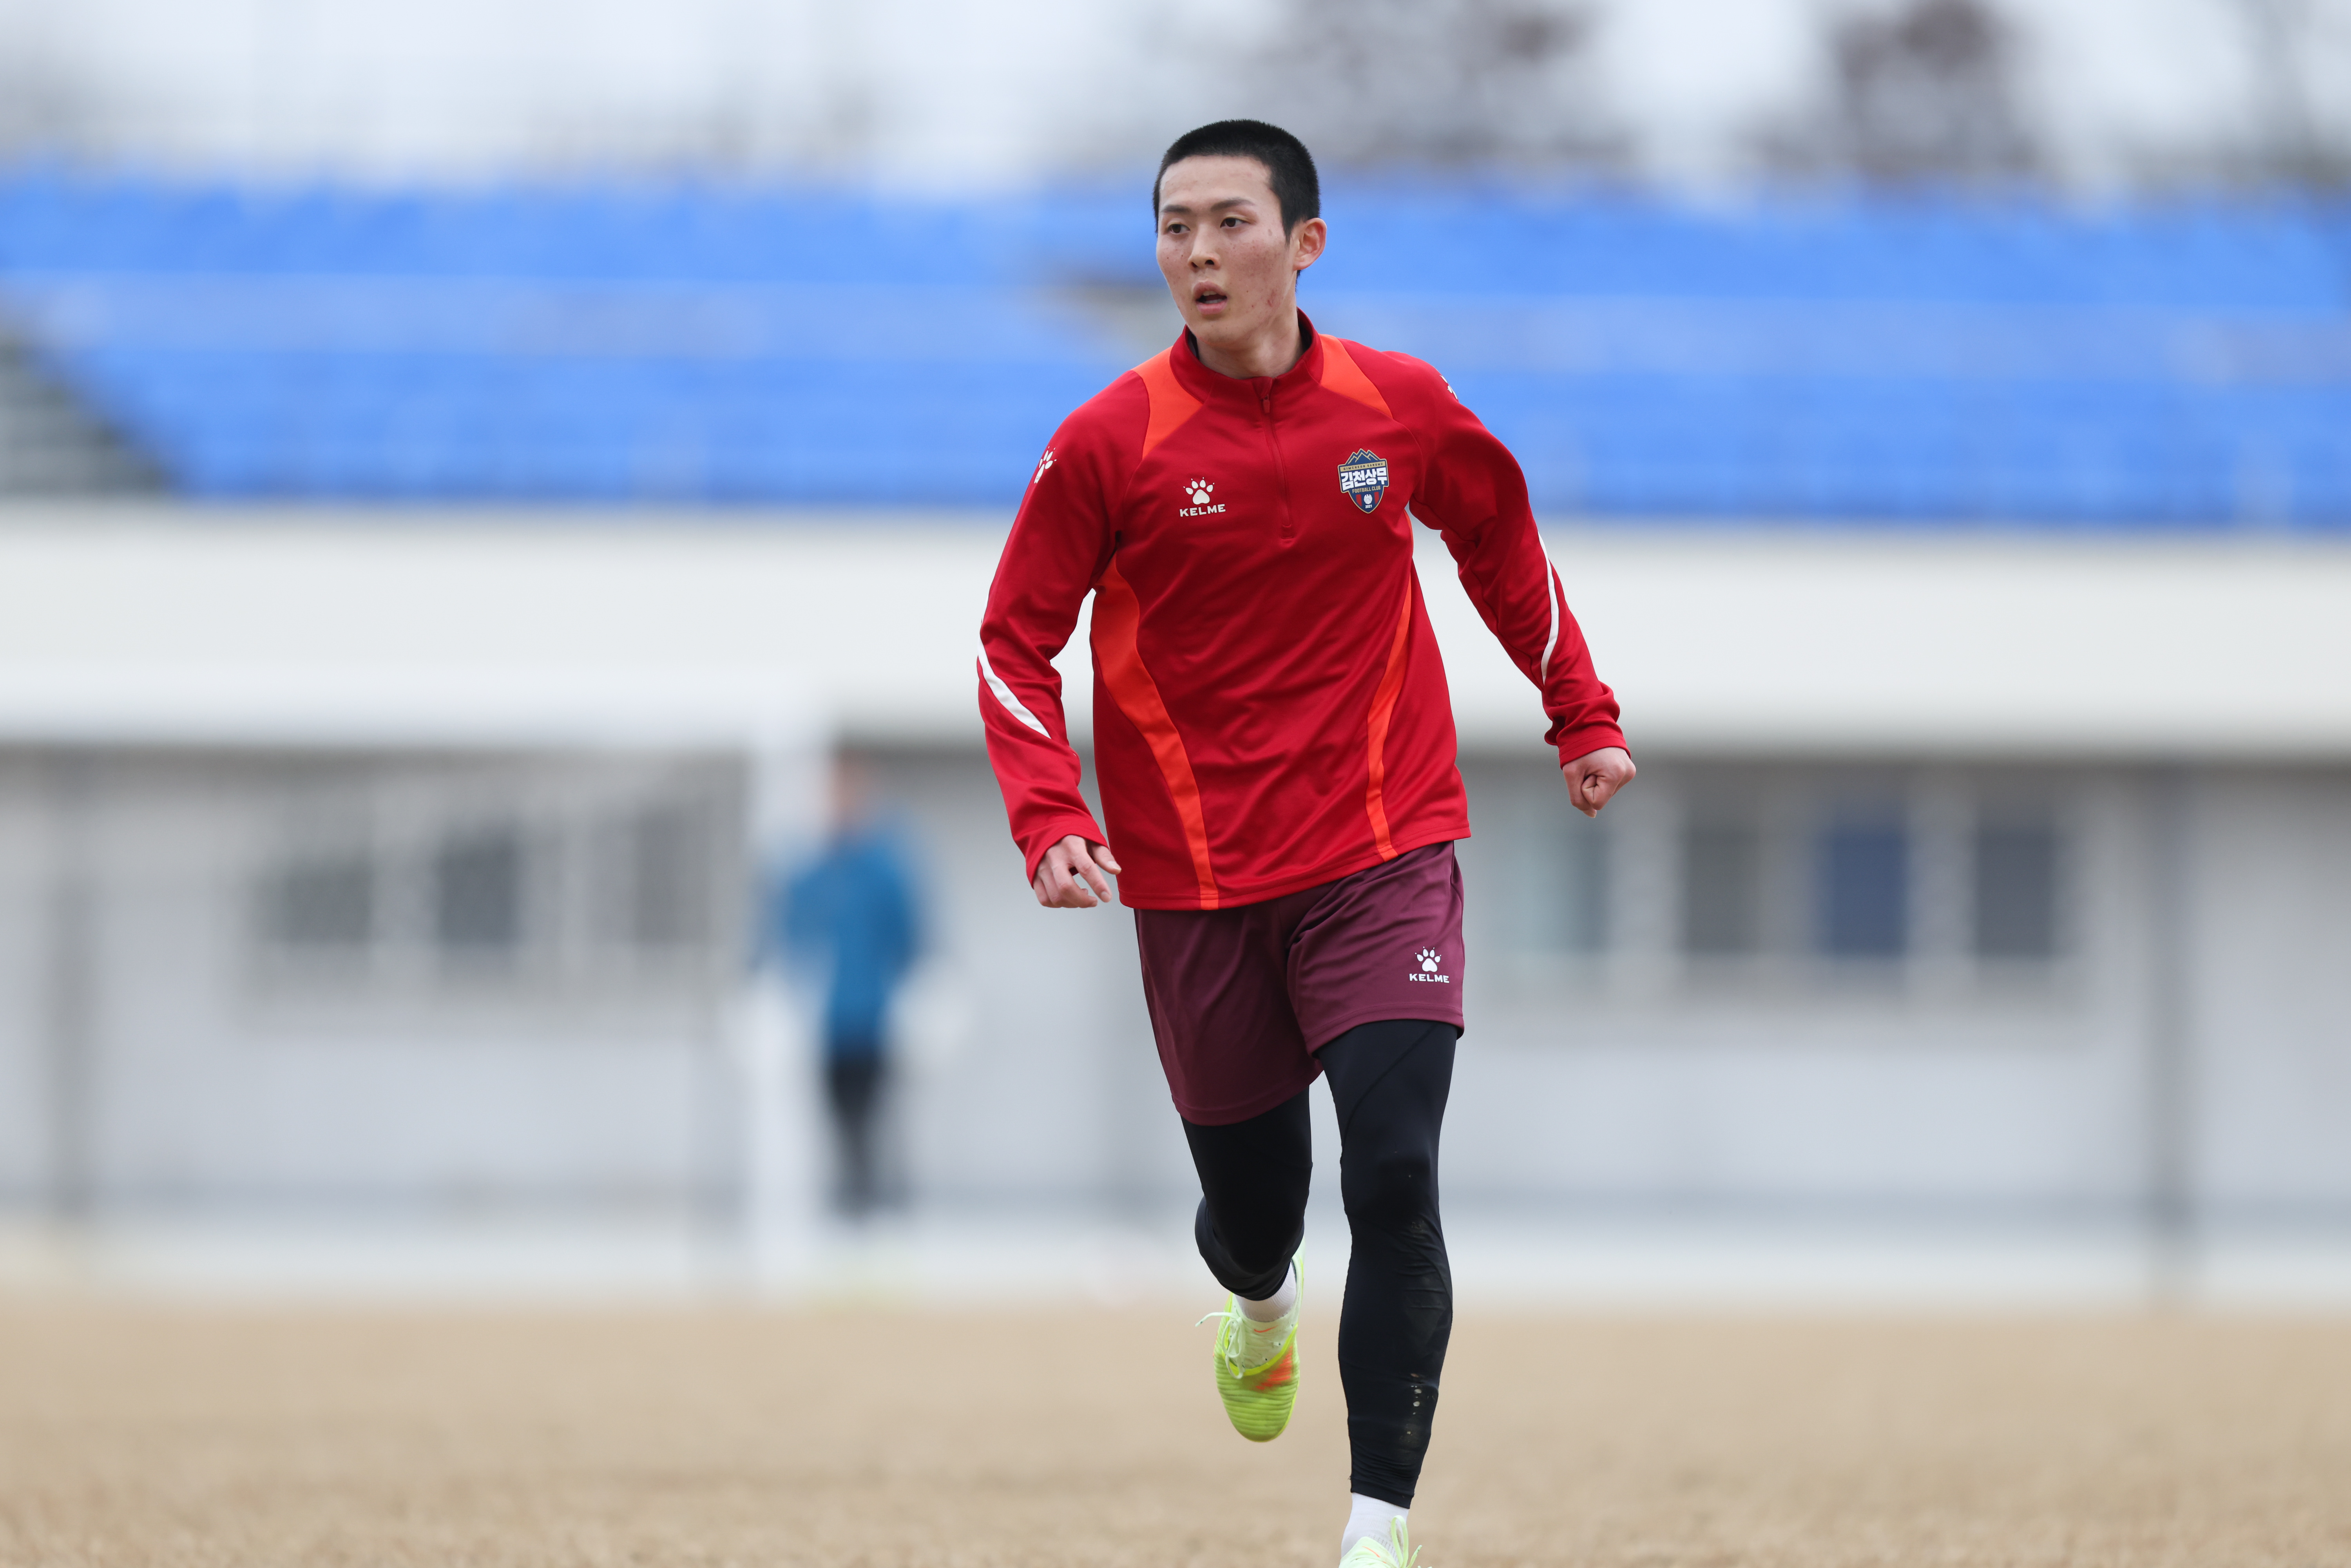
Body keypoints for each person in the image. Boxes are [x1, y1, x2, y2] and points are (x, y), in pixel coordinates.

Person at [976, 120, 1633, 1567]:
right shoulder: (1108, 441)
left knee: (1391, 1172)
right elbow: (1012, 641)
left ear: (1304, 242)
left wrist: (1578, 711)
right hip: (1199, 882)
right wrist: (1050, 813)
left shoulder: (1398, 407)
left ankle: (1374, 1525)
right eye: (1173, 227)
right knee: (1255, 1210)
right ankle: (1257, 1295)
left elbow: (1501, 543)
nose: (1198, 253)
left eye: (1230, 221)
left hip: (1382, 849)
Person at [775, 754, 920, 1220]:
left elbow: (910, 940)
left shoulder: (885, 871)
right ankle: (851, 1206)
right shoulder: (814, 871)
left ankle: (883, 1207)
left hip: (877, 1018)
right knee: (838, 1118)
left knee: (877, 1116)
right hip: (828, 1022)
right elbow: (786, 930)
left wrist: (912, 998)